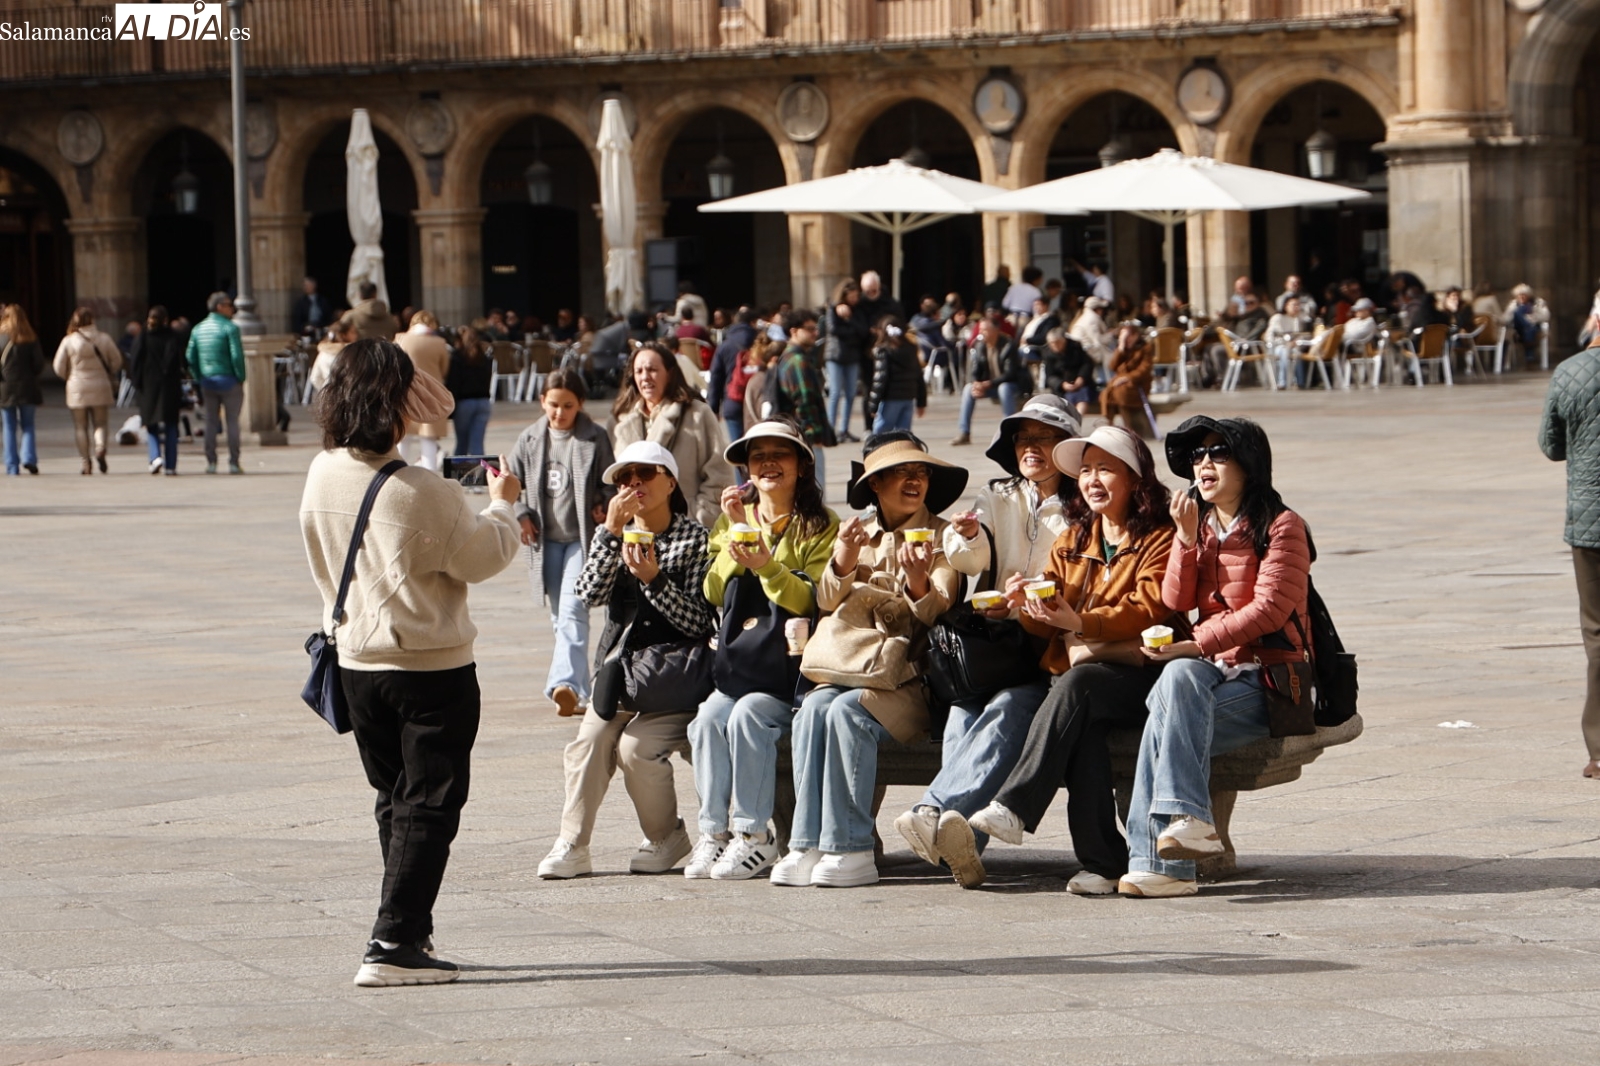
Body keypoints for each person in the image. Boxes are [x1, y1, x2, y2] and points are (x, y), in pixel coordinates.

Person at [300, 338, 521, 985]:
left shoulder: (322, 472)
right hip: (429, 665)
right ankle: (393, 941)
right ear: (396, 402)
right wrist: (504, 500)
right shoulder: (423, 489)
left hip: (356, 663)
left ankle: (410, 927)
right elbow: (483, 557)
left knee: (396, 798)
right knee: (430, 802)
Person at [962, 425, 1180, 895]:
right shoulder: (1075, 538)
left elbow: (1149, 607)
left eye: (1106, 469)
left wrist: (1079, 623)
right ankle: (1103, 863)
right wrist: (1028, 608)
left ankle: (1016, 805)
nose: (1092, 480)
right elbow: (1048, 619)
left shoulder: (1160, 539)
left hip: (1143, 672)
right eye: (1086, 471)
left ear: (1137, 480)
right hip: (1081, 676)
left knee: (1076, 689)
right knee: (1083, 729)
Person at [1119, 415, 1312, 897]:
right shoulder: (1200, 527)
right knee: (1178, 681)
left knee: (1162, 720)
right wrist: (1184, 541)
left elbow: (1268, 610)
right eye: (1198, 456)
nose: (1204, 463)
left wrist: (1197, 643)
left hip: (1270, 682)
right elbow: (1175, 601)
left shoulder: (1283, 527)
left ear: (1249, 463)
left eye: (1218, 453)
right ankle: (1186, 826)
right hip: (1211, 678)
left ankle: (1158, 864)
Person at [894, 397, 1079, 887]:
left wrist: (1041, 599)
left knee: (1010, 709)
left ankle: (932, 810)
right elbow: (967, 560)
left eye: (1043, 438)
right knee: (961, 718)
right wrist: (967, 535)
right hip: (997, 644)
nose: (1030, 448)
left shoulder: (1084, 505)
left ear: (1066, 448)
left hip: (1050, 650)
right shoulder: (998, 493)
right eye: (1023, 439)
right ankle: (965, 851)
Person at [772, 435, 966, 888]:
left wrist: (917, 580)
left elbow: (937, 608)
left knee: (844, 712)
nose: (914, 480)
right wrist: (843, 558)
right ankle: (807, 843)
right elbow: (824, 601)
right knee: (813, 710)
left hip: (911, 685)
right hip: (852, 670)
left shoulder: (943, 535)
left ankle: (852, 847)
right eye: (901, 473)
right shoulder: (860, 533)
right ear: (875, 484)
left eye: (921, 473)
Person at [536, 441, 715, 880]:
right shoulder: (615, 537)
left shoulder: (694, 538)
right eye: (623, 478)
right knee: (588, 743)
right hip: (620, 676)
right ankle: (573, 844)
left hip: (675, 677)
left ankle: (665, 836)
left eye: (645, 474)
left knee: (636, 748)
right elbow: (586, 594)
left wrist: (653, 580)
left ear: (670, 482)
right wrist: (609, 534)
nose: (633, 484)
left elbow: (699, 621)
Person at [687, 420, 839, 880]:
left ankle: (755, 836)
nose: (769, 464)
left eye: (781, 454)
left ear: (801, 465)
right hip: (741, 662)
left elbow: (810, 600)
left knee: (749, 713)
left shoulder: (820, 525)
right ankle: (714, 833)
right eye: (758, 457)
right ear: (747, 469)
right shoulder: (730, 518)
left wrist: (768, 564)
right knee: (709, 718)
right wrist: (737, 537)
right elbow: (713, 591)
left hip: (790, 671)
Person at [508, 368, 614, 719]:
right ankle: (579, 693)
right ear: (542, 402)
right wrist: (521, 512)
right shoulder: (529, 439)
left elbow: (610, 481)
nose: (559, 413)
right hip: (545, 540)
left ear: (580, 405)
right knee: (561, 618)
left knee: (573, 609)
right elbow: (510, 482)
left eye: (568, 406)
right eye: (553, 405)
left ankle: (563, 684)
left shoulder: (594, 437)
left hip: (580, 540)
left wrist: (602, 500)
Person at [1539, 335, 1600, 779]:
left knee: (1598, 632)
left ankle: (1599, 750)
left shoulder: (1570, 371)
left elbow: (1552, 445)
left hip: (1589, 523)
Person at [611, 342, 733, 528]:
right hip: (639, 530)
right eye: (639, 371)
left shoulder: (697, 414)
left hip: (690, 529)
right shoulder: (623, 422)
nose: (645, 377)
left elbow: (720, 473)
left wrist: (699, 515)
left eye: (652, 370)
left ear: (669, 373)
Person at [53, 306, 124, 476]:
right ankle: (100, 449)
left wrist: (69, 377)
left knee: (80, 426)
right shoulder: (104, 338)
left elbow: (58, 366)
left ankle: (85, 462)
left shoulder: (68, 341)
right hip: (100, 385)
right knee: (100, 423)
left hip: (77, 386)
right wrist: (107, 372)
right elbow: (117, 361)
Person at [184, 291, 247, 475]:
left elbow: (190, 356)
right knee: (232, 422)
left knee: (210, 422)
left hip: (208, 381)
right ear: (219, 307)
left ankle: (211, 462)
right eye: (228, 304)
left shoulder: (198, 329)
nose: (232, 308)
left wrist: (199, 376)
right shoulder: (230, 328)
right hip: (229, 380)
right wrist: (240, 376)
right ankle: (234, 462)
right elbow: (236, 356)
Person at [772, 309, 834, 492]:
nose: (815, 333)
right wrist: (814, 434)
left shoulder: (789, 357)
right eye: (809, 329)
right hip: (805, 436)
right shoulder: (798, 360)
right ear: (794, 331)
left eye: (815, 328)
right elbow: (804, 401)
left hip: (796, 434)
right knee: (815, 490)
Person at [952, 317, 1027, 446]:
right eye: (981, 330)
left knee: (1004, 388)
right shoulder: (980, 346)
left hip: (1012, 385)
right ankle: (964, 432)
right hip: (990, 386)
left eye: (985, 330)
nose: (982, 333)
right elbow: (975, 371)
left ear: (996, 330)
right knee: (968, 389)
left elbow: (1010, 374)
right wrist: (976, 384)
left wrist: (988, 384)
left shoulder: (1009, 346)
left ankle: (1008, 433)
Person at [131, 305, 185, 475]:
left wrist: (137, 383)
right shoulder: (173, 336)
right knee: (170, 426)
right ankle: (171, 466)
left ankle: (155, 457)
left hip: (149, 387)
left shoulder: (143, 337)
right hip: (169, 387)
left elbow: (135, 362)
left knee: (151, 425)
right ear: (166, 320)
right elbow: (179, 361)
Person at [395, 310, 452, 473]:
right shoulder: (439, 342)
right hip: (431, 394)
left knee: (402, 437)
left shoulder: (400, 339)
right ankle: (430, 475)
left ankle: (397, 473)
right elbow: (444, 369)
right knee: (429, 439)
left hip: (405, 393)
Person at [0, 303, 45, 476]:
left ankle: (12, 466)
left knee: (9, 427)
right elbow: (39, 364)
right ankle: (29, 458)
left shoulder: (1, 337)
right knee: (28, 425)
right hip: (28, 387)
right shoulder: (31, 337)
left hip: (5, 387)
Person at [706, 307, 760, 444]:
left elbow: (716, 377)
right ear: (753, 323)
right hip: (758, 402)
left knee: (738, 452)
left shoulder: (725, 345)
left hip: (733, 400)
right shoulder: (762, 343)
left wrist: (714, 408)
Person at [823, 280, 867, 443]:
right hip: (835, 355)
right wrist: (851, 331)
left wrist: (849, 319)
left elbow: (863, 330)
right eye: (852, 296)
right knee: (835, 392)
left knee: (850, 393)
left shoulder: (857, 310)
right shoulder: (833, 309)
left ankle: (844, 430)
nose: (855, 299)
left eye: (857, 296)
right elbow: (833, 329)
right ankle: (830, 429)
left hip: (852, 356)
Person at [865, 316, 926, 434]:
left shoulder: (883, 351)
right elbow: (919, 376)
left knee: (881, 433)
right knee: (903, 433)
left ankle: (879, 451)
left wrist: (873, 405)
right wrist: (921, 402)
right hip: (908, 397)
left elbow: (880, 379)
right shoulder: (911, 349)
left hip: (890, 398)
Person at [446, 324, 494, 457]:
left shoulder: (457, 358)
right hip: (483, 401)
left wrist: (450, 407)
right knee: (477, 445)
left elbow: (453, 383)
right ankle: (479, 474)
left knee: (462, 443)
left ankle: (456, 473)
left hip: (464, 402)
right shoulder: (484, 357)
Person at [1101, 322, 1153, 429]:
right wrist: (1120, 347)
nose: (1127, 339)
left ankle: (1129, 425)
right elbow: (1112, 366)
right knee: (1106, 394)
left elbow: (1144, 369)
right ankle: (1108, 424)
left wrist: (1127, 378)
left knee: (1121, 392)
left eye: (1129, 336)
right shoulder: (1123, 348)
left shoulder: (1145, 348)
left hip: (1138, 382)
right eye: (1124, 336)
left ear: (1136, 335)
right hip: (1120, 381)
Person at [1042, 327, 1097, 415]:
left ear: (1064, 341)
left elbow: (1087, 364)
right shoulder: (1048, 354)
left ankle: (1077, 420)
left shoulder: (1075, 347)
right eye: (1052, 343)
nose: (1055, 346)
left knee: (1082, 395)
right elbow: (1050, 376)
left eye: (1057, 343)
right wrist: (1062, 384)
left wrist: (1081, 378)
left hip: (1081, 384)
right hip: (1062, 388)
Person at [1505, 283, 1551, 357]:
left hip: (1534, 328)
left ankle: (1529, 360)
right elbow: (1506, 318)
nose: (1521, 297)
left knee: (1529, 332)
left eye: (1524, 295)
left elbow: (1546, 316)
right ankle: (1530, 360)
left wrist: (1532, 318)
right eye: (1519, 295)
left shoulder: (1537, 303)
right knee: (1517, 312)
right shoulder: (1513, 305)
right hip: (1518, 330)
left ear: (1528, 295)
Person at [1069, 296, 1114, 368]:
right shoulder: (1091, 319)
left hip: (1084, 352)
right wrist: (1112, 334)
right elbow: (1097, 341)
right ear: (1097, 309)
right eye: (1101, 308)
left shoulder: (1085, 317)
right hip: (1088, 354)